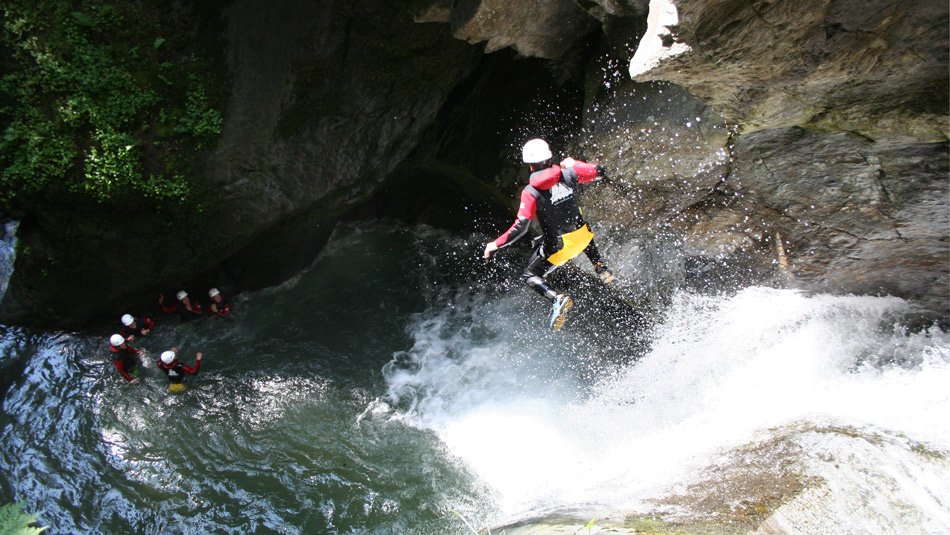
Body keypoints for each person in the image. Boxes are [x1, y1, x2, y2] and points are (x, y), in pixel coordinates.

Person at [483, 138, 615, 330]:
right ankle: (601, 267)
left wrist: (494, 245)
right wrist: (575, 164)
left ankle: (557, 299)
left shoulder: (530, 192)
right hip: (585, 237)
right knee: (577, 223)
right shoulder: (569, 173)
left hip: (560, 246)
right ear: (549, 156)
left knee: (529, 275)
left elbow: (521, 227)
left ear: (530, 165)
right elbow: (599, 172)